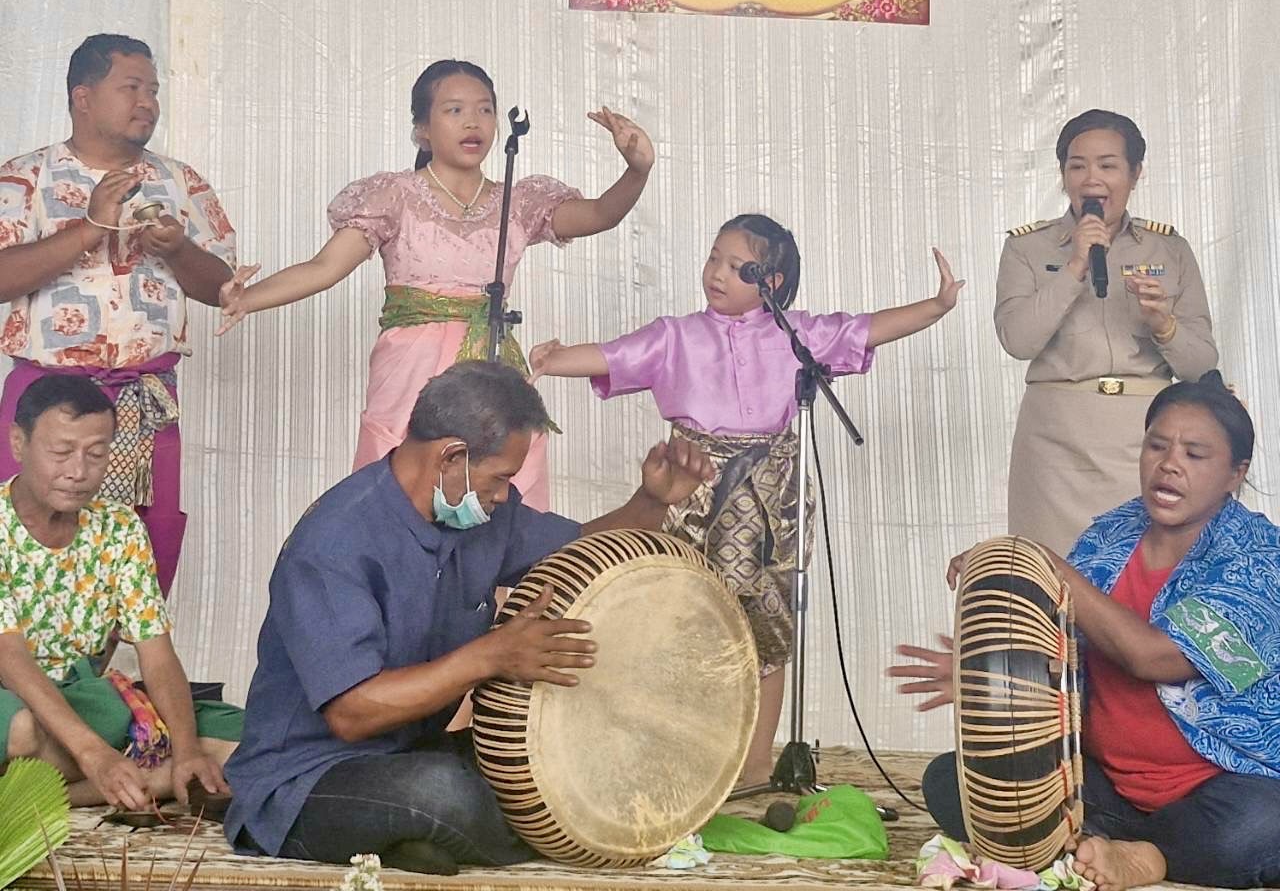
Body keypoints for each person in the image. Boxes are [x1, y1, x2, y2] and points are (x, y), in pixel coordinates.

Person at [223, 360, 714, 873]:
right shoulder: (334, 543)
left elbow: (578, 552)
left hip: (414, 751)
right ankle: (434, 831)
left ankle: (417, 841)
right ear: (451, 456)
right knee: (443, 793)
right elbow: (352, 713)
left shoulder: (479, 514)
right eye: (500, 478)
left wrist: (651, 502)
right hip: (306, 779)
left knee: (574, 761)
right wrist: (491, 656)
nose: (504, 494)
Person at [529, 213, 964, 787]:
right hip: (691, 492)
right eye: (714, 258)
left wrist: (936, 306)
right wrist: (551, 359)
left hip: (771, 498)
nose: (717, 273)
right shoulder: (676, 336)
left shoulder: (796, 335)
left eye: (737, 267)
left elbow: (865, 329)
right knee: (682, 620)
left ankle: (756, 764)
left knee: (766, 628)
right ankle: (681, 755)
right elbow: (612, 356)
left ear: (772, 282)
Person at [889, 374, 1280, 891]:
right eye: (1157, 445)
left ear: (1236, 473)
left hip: (1221, 789)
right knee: (951, 781)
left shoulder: (1258, 558)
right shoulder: (1109, 535)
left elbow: (1154, 657)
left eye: (1195, 454)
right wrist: (992, 678)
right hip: (1101, 787)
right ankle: (1114, 842)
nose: (1169, 464)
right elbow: (1059, 646)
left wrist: (1047, 562)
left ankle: (1149, 855)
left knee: (1257, 827)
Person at [215, 58, 654, 510]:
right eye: (454, 110)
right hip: (413, 367)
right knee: (404, 490)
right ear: (422, 128)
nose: (473, 122)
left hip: (492, 362)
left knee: (501, 489)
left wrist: (636, 171)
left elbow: (599, 214)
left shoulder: (518, 201)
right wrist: (248, 298)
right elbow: (324, 267)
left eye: (485, 110)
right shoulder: (395, 195)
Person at [0, 34, 237, 593]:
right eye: (131, 88)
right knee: (28, 554)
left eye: (153, 91)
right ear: (82, 97)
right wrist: (91, 227)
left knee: (139, 556)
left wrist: (178, 249)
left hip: (145, 399)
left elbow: (221, 288)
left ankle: (123, 655)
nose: (147, 102)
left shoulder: (181, 182)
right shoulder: (26, 177)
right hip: (47, 398)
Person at [1, 374, 241, 809]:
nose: (78, 472)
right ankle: (129, 779)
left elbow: (157, 654)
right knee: (19, 729)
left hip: (85, 702)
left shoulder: (120, 527)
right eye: (61, 452)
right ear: (19, 443)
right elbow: (10, 658)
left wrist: (187, 748)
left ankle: (58, 790)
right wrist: (93, 753)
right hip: (14, 698)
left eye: (96, 454)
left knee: (239, 735)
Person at [996, 109, 1217, 554]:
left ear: (1135, 174)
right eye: (1077, 166)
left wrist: (1164, 325)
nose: (1091, 178)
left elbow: (1201, 364)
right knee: (1054, 575)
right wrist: (1075, 265)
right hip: (1055, 445)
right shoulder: (1026, 247)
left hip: (1145, 440)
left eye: (1108, 165)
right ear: (1063, 176)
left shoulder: (1169, 248)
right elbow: (1018, 340)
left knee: (1142, 572)